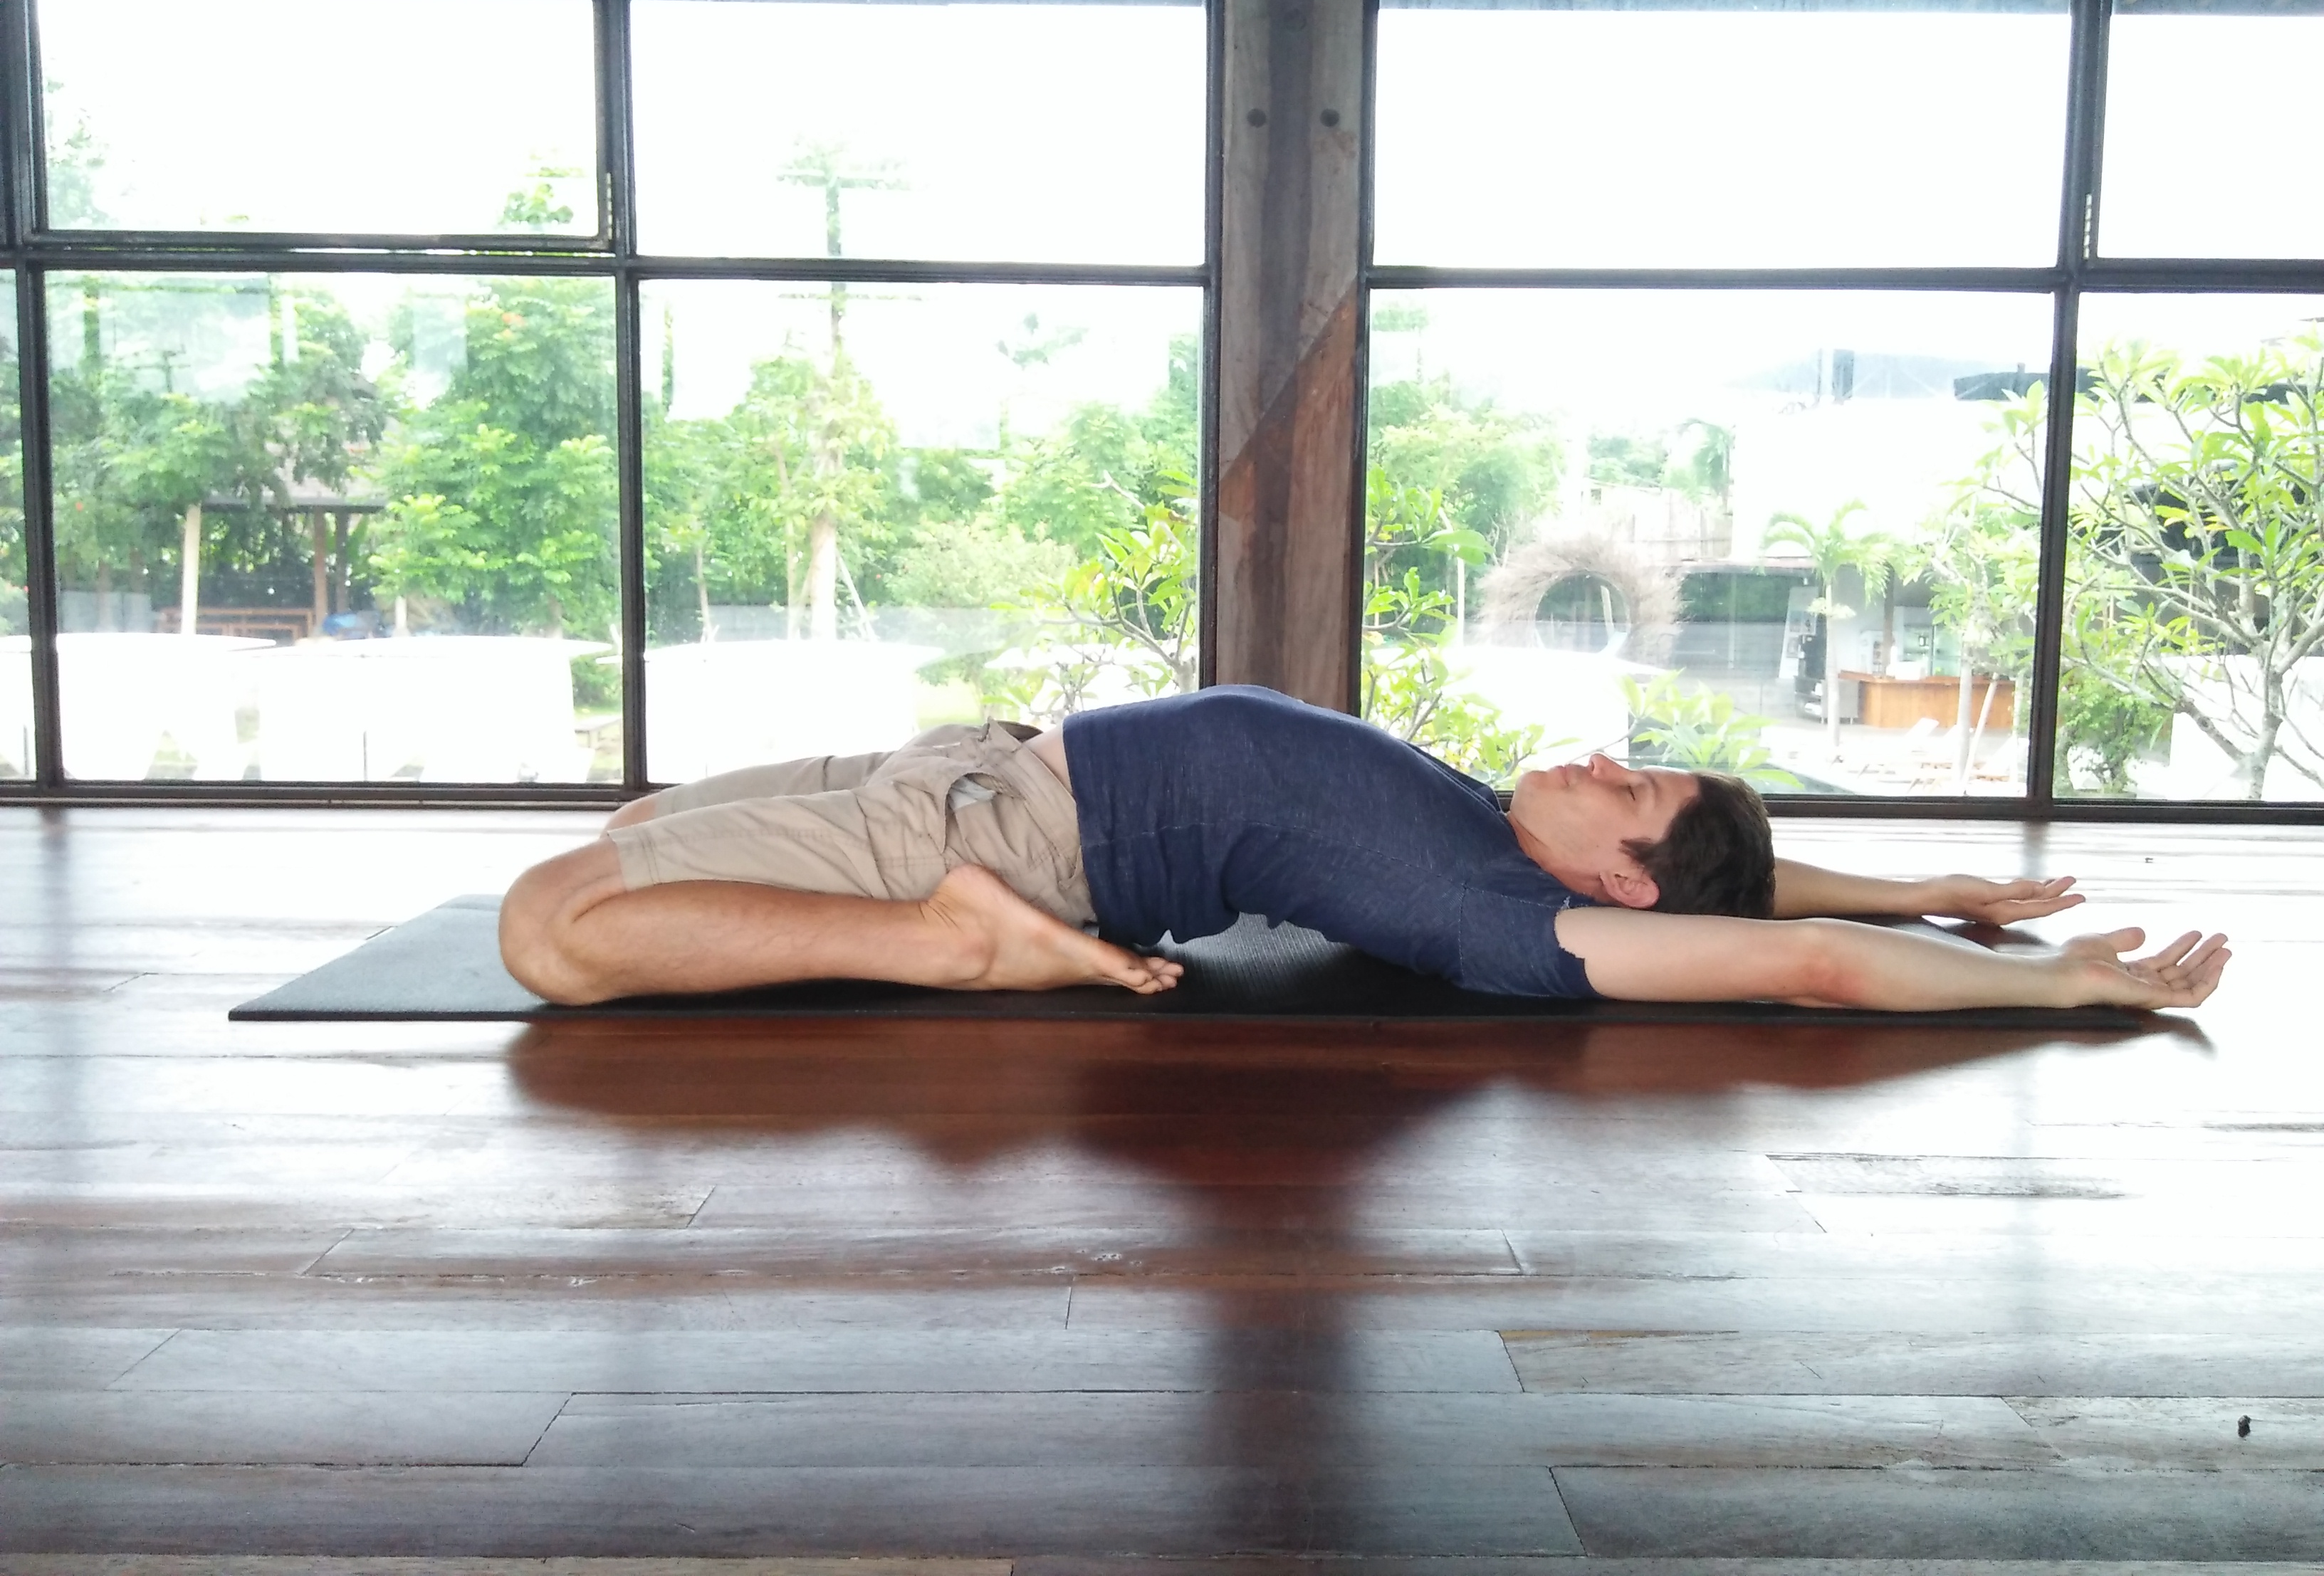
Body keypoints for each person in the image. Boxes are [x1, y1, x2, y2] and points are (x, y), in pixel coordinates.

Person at [500, 685, 2228, 1014]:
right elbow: (1766, 893)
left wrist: (2065, 990)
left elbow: (1796, 961)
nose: (1606, 760)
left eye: (1632, 788)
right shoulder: (1518, 839)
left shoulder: (1505, 918)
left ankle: (961, 946)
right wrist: (1944, 882)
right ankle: (947, 921)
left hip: (999, 843)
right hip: (971, 766)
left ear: (1615, 883)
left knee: (548, 935)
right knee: (640, 830)